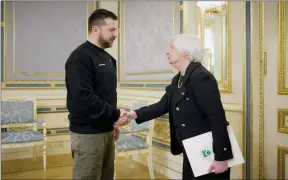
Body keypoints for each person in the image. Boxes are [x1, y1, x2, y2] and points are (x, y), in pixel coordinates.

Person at [117, 34, 233, 180]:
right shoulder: (178, 79)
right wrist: (133, 114)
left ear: (185, 52)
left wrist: (221, 157)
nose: (167, 51)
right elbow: (162, 105)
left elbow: (217, 118)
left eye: (172, 47)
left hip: (208, 152)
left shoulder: (201, 77)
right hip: (191, 149)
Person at [65, 9, 128, 180]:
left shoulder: (109, 59)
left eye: (116, 30)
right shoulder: (79, 57)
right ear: (95, 30)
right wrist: (115, 114)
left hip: (107, 131)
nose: (115, 34)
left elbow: (108, 95)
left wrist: (113, 122)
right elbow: (83, 99)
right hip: (87, 135)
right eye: (111, 30)